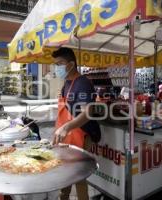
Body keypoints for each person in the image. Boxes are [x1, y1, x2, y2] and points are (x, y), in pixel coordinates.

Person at [52, 47, 101, 200]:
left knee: (78, 176)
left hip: (82, 135)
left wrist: (66, 127)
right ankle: (63, 197)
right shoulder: (67, 83)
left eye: (60, 63)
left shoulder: (83, 83)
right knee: (66, 171)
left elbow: (87, 113)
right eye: (56, 64)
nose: (57, 67)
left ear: (71, 64)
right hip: (67, 135)